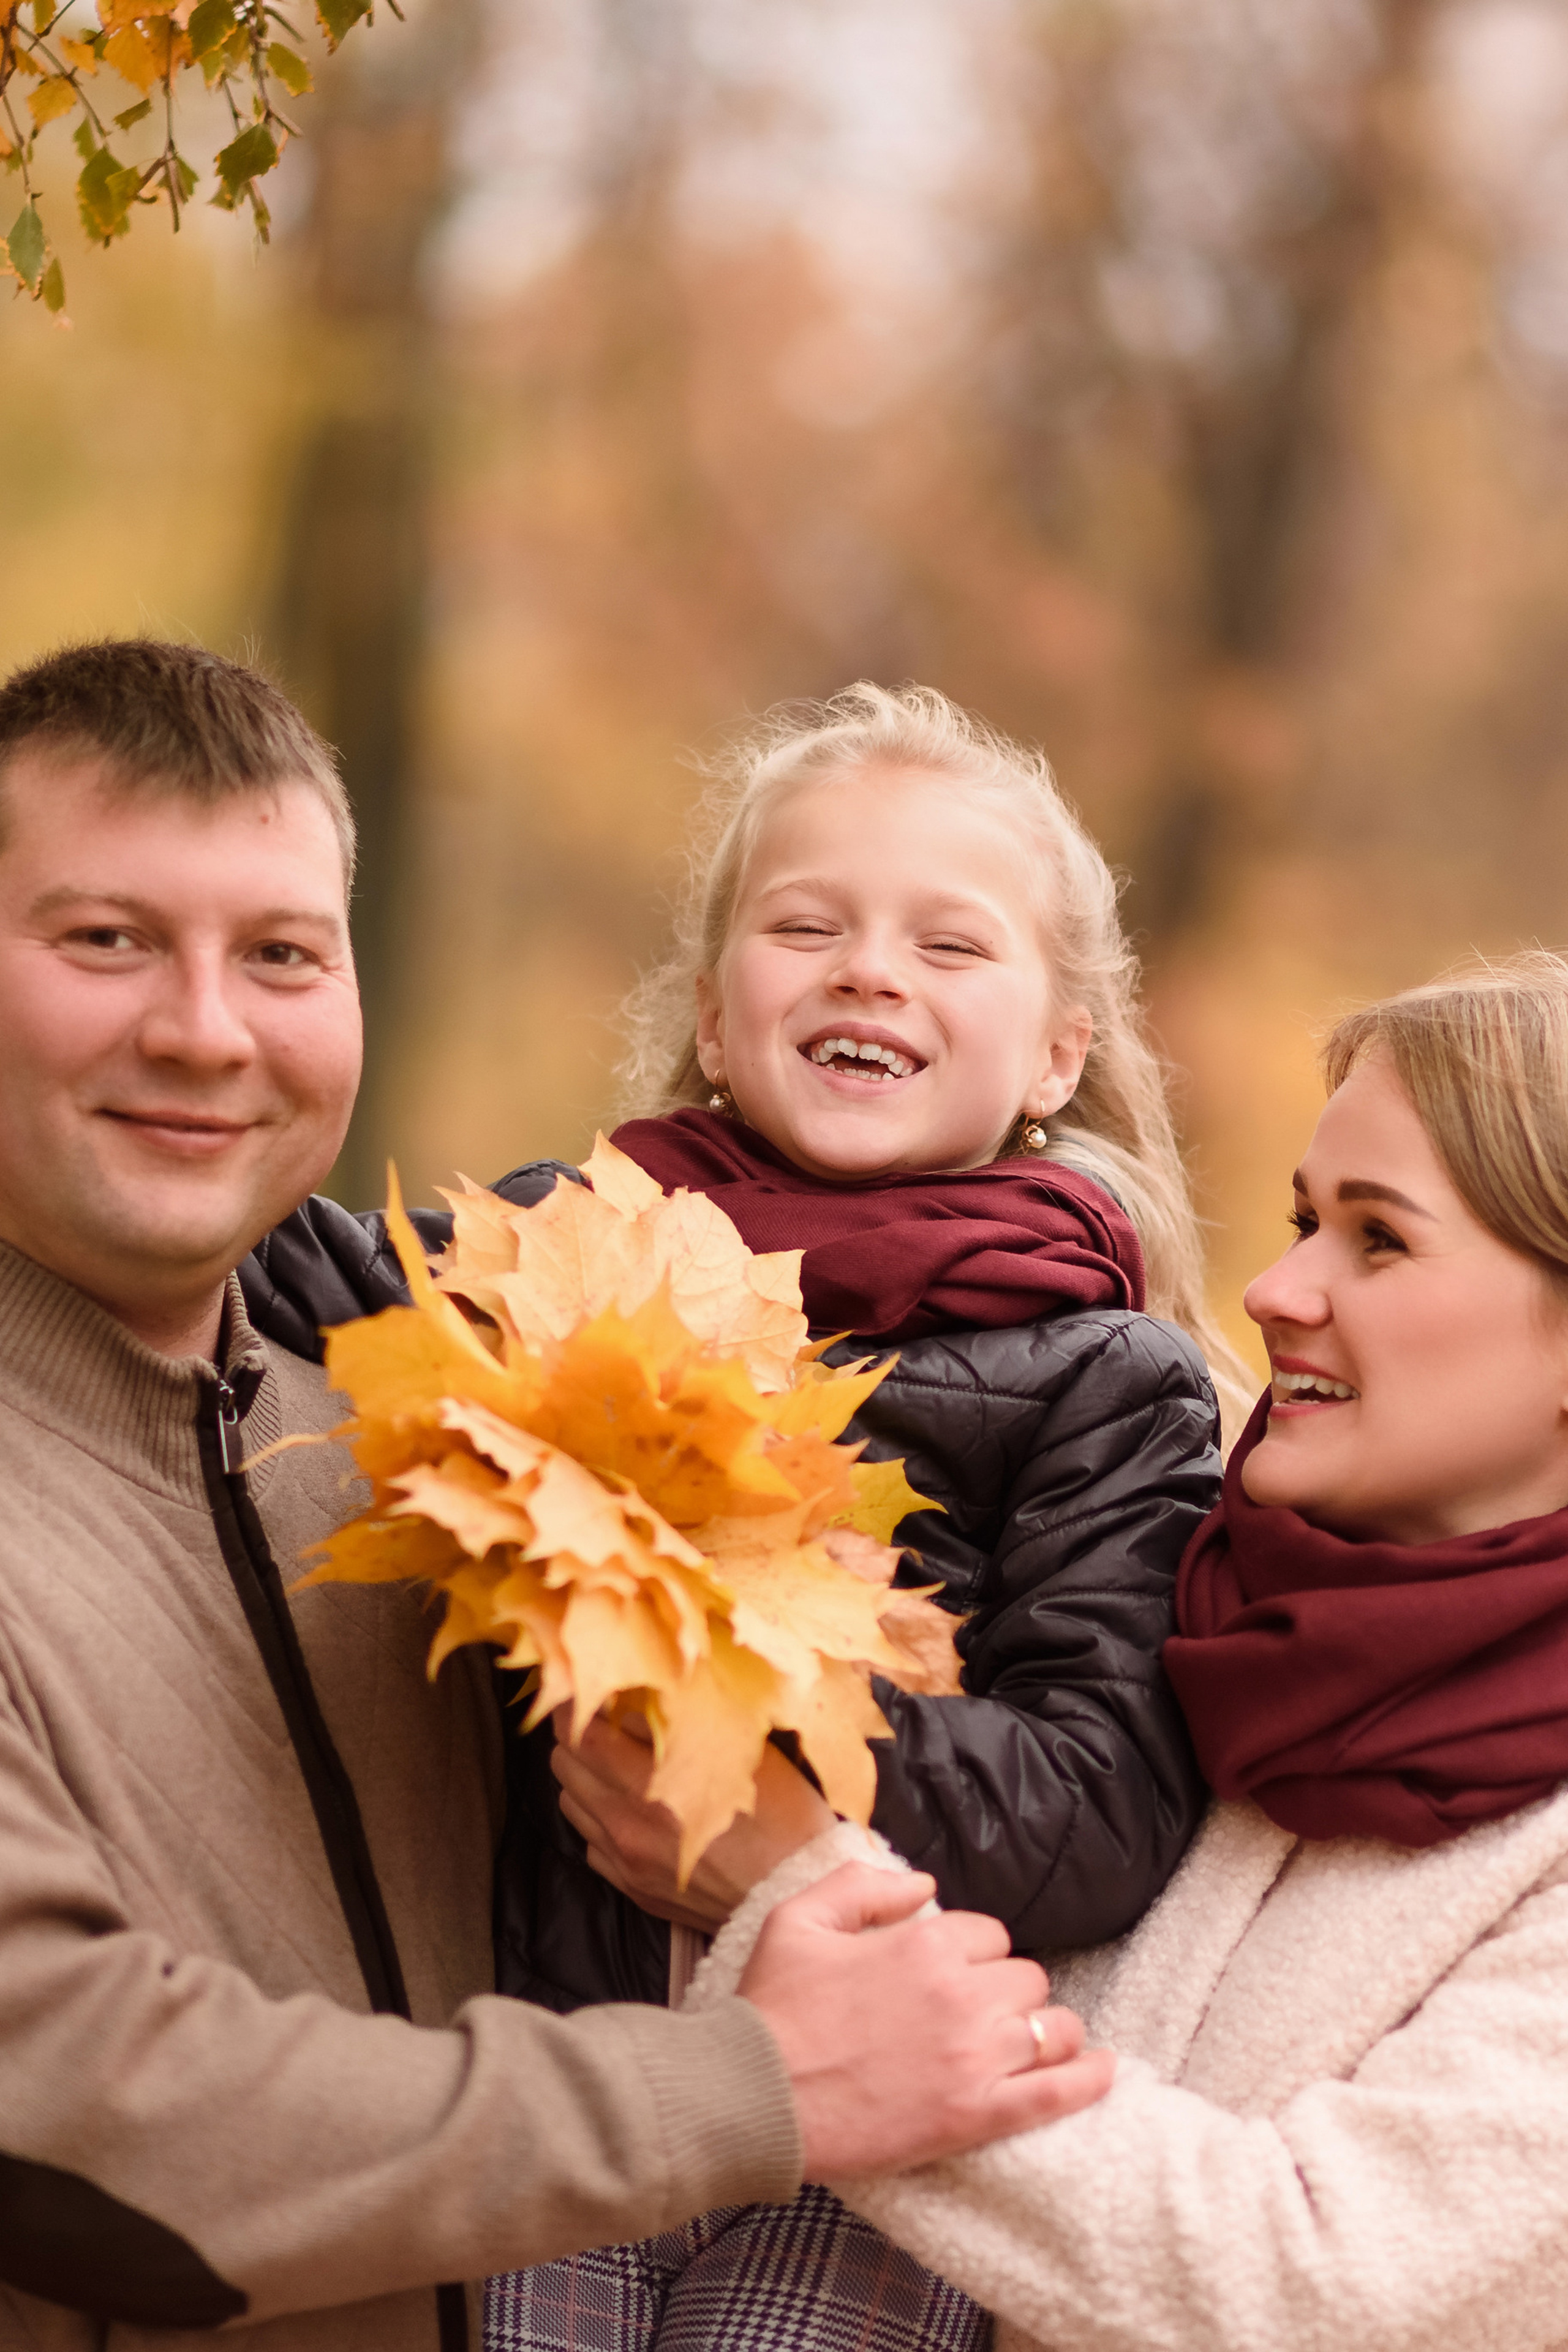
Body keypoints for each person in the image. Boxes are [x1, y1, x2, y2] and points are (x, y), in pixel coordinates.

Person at [0, 639, 1111, 2352]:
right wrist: (745, 2085)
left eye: (283, 954)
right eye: (105, 940)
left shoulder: (428, 1452)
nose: (204, 1031)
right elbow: (76, 2134)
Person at [247, 684, 1236, 2351]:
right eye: (809, 924)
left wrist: (752, 1728)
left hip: (879, 2149)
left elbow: (1096, 1808)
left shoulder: (1111, 1382)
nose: (870, 970)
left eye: (951, 945)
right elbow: (282, 1261)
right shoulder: (575, 1256)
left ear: (1061, 1051)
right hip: (566, 2066)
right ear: (715, 1015)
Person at [692, 949, 1568, 2352]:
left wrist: (796, 1888)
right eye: (1297, 1220)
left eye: (1377, 1238)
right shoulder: (1169, 1610)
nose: (1274, 1291)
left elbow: (1310, 2281)